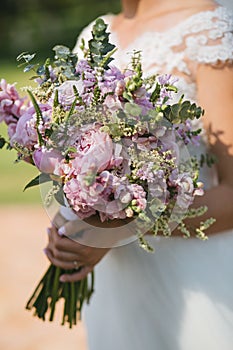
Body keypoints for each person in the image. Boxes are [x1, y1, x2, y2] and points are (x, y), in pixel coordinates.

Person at [45, 0, 233, 349]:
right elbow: (75, 154)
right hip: (116, 285)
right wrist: (71, 218)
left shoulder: (210, 29)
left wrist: (120, 228)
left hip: (193, 282)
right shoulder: (94, 34)